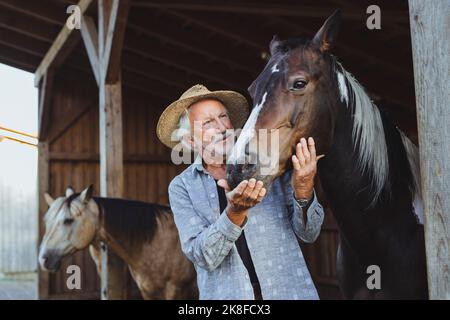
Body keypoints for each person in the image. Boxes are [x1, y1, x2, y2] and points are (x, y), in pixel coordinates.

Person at [157, 84, 325, 299]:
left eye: (223, 117)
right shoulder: (183, 187)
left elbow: (310, 234)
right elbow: (203, 256)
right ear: (191, 140)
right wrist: (234, 214)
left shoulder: (268, 165)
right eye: (208, 123)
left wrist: (303, 188)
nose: (222, 127)